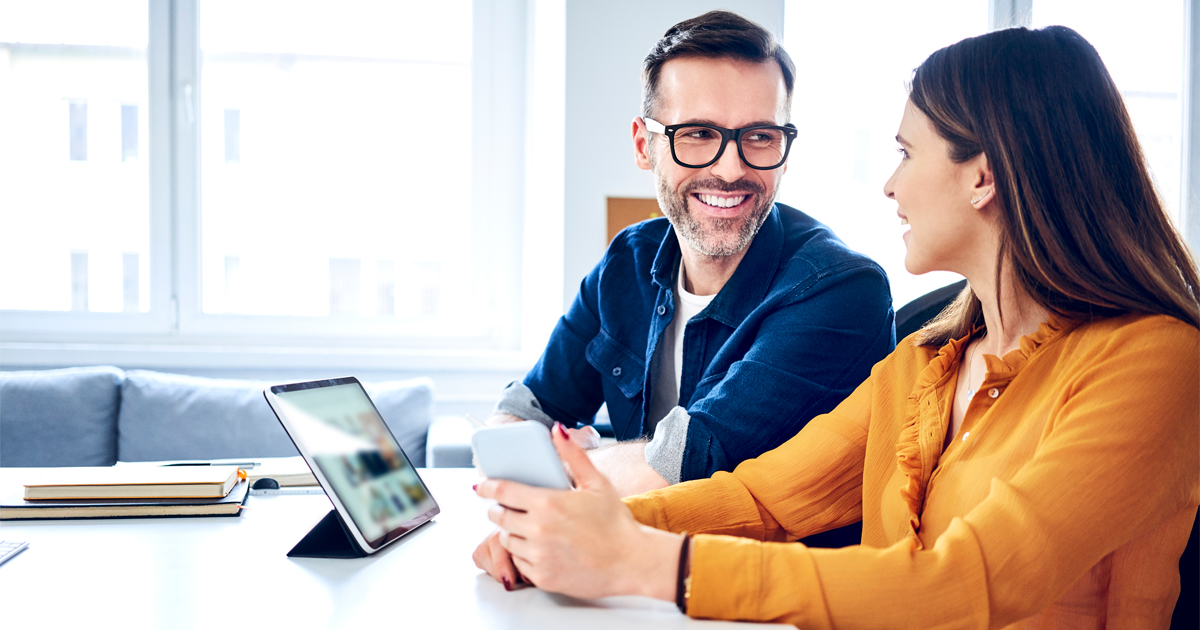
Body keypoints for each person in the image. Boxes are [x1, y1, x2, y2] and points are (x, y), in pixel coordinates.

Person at [472, 25, 1200, 627]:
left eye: (906, 153)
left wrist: (644, 557)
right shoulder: (925, 360)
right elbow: (763, 498)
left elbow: (967, 584)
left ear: (984, 177)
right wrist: (582, 534)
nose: (889, 184)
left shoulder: (1155, 361)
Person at [488, 11, 894, 499]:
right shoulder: (628, 262)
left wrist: (574, 458)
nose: (730, 168)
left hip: (752, 573)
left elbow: (683, 470)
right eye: (698, 134)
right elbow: (521, 417)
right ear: (644, 145)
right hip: (622, 563)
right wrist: (559, 460)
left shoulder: (841, 290)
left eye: (760, 136)